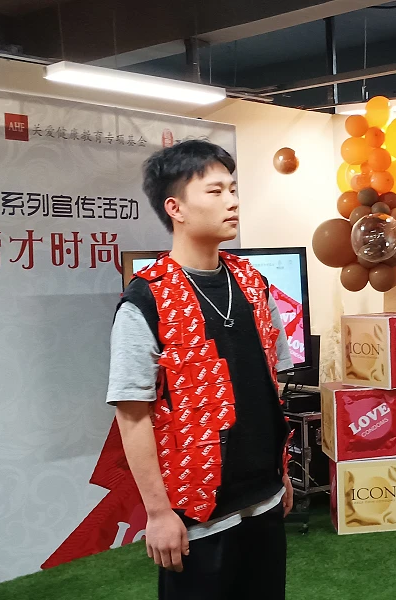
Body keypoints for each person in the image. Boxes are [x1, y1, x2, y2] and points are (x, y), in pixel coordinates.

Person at [106, 139, 294, 600]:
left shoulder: (254, 285)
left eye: (233, 189)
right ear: (176, 208)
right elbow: (132, 415)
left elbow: (271, 385)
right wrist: (157, 513)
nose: (232, 201)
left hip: (265, 497)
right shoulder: (145, 301)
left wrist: (283, 472)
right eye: (215, 191)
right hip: (195, 513)